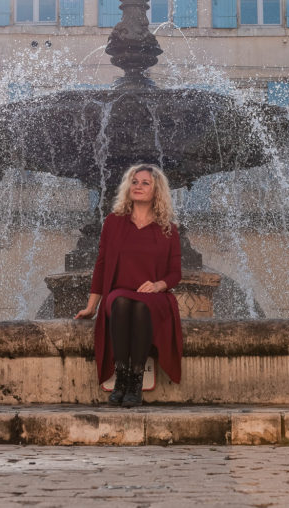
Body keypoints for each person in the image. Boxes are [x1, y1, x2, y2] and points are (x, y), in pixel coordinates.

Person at [74, 163, 183, 407]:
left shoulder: (168, 229)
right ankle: (122, 377)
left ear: (157, 191)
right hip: (120, 292)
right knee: (122, 302)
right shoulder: (114, 222)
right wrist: (91, 306)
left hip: (153, 297)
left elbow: (176, 273)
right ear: (127, 187)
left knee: (141, 308)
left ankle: (135, 380)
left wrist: (158, 285)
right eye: (134, 182)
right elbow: (101, 265)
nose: (138, 186)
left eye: (145, 183)